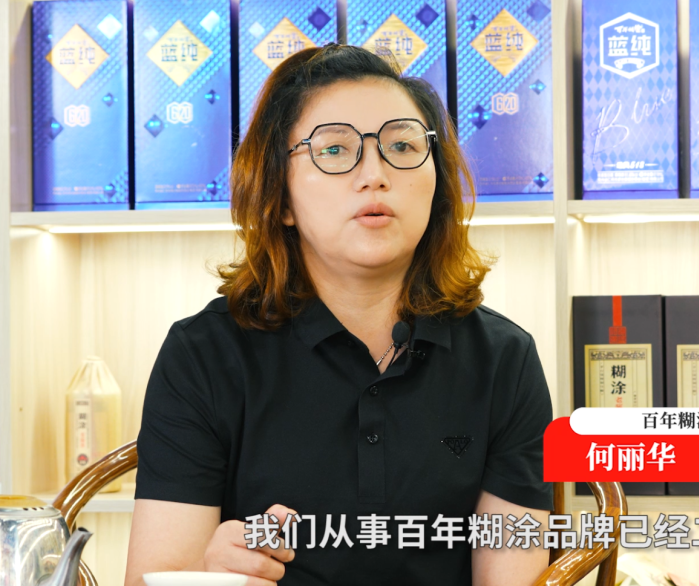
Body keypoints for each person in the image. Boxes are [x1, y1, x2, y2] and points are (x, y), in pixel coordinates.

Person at [124, 44, 552, 586]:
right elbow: (155, 576)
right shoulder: (203, 356)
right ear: (280, 197)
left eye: (402, 146)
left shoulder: (505, 360)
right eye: (334, 150)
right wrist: (211, 573)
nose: (374, 174)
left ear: (437, 184)